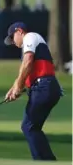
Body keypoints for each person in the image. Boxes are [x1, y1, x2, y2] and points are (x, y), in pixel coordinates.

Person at [4, 22, 63, 160]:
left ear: (19, 31)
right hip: (44, 87)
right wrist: (14, 89)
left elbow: (28, 62)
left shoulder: (30, 36)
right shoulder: (29, 44)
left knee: (29, 127)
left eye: (12, 38)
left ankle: (44, 161)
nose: (12, 42)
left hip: (44, 86)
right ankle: (48, 160)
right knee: (32, 127)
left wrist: (18, 87)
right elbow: (27, 72)